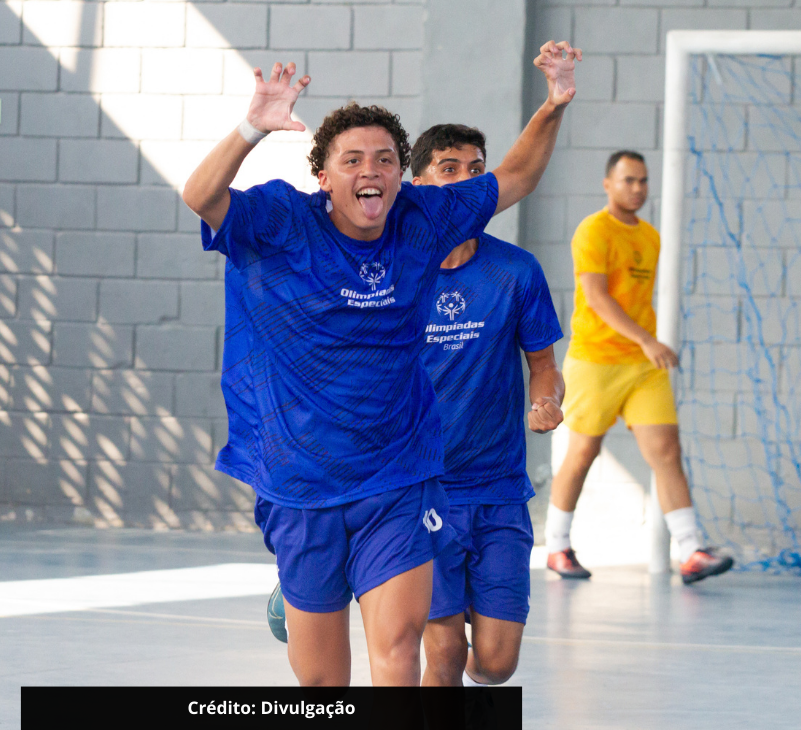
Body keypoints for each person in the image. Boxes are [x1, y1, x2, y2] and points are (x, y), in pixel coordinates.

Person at [185, 40, 579, 686]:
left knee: (399, 654)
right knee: (322, 683)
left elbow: (515, 177)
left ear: (400, 175)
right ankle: (299, 584)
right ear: (325, 176)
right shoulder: (282, 220)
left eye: (385, 159)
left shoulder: (423, 217)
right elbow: (202, 196)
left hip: (399, 477)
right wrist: (250, 127)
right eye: (352, 159)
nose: (370, 170)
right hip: (300, 479)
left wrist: (554, 104)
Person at [408, 124, 565, 688]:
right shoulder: (397, 272)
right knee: (444, 653)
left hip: (499, 492)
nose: (466, 179)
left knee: (495, 668)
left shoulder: (516, 270)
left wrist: (546, 401)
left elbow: (543, 365)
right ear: (419, 182)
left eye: (477, 169)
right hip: (423, 492)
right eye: (449, 167)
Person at [543, 150, 733, 585]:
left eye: (643, 181)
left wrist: (645, 344)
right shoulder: (593, 230)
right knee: (582, 453)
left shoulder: (649, 236)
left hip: (641, 366)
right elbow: (596, 297)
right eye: (628, 180)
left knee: (667, 451)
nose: (638, 188)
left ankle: (690, 550)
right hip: (596, 360)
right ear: (608, 184)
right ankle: (556, 545)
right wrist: (647, 338)